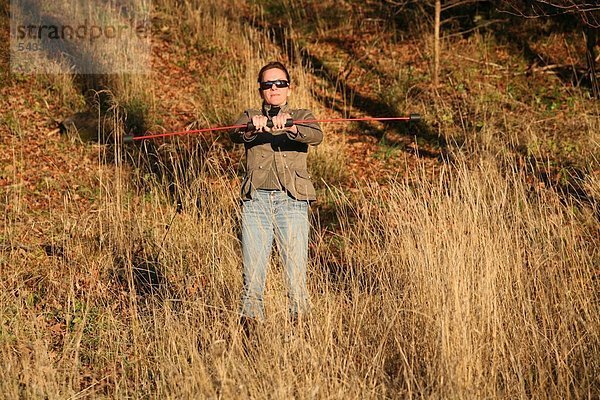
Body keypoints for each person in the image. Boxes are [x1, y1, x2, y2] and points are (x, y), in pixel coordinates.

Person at [230, 61, 323, 323]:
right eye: (268, 85)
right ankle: (251, 339)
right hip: (256, 203)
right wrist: (252, 126)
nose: (274, 89)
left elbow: (316, 136)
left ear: (289, 88)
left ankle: (302, 336)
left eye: (280, 83)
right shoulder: (249, 115)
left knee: (296, 278)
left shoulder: (303, 115)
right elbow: (235, 133)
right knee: (252, 279)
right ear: (261, 90)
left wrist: (292, 127)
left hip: (292, 203)